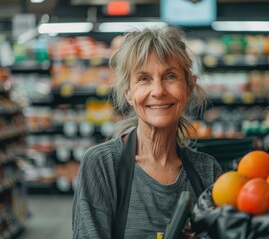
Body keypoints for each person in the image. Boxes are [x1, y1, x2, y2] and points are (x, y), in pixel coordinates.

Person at [72, 26, 223, 239]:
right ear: (128, 93)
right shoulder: (102, 165)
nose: (158, 91)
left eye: (170, 76)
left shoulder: (208, 171)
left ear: (189, 87)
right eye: (144, 79)